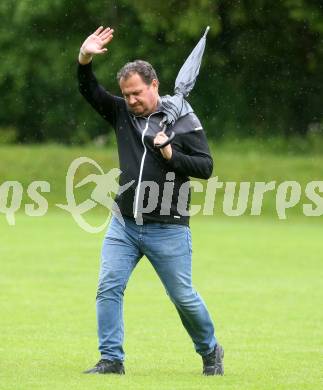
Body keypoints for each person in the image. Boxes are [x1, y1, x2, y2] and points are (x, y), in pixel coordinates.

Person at [77, 26, 224, 376]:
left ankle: (210, 350)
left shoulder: (184, 119)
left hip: (168, 228)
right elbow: (89, 90)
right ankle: (111, 359)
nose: (131, 101)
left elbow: (205, 167)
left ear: (154, 85)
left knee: (183, 298)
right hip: (124, 224)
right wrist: (84, 59)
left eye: (137, 93)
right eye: (126, 94)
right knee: (108, 287)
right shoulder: (122, 114)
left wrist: (171, 154)